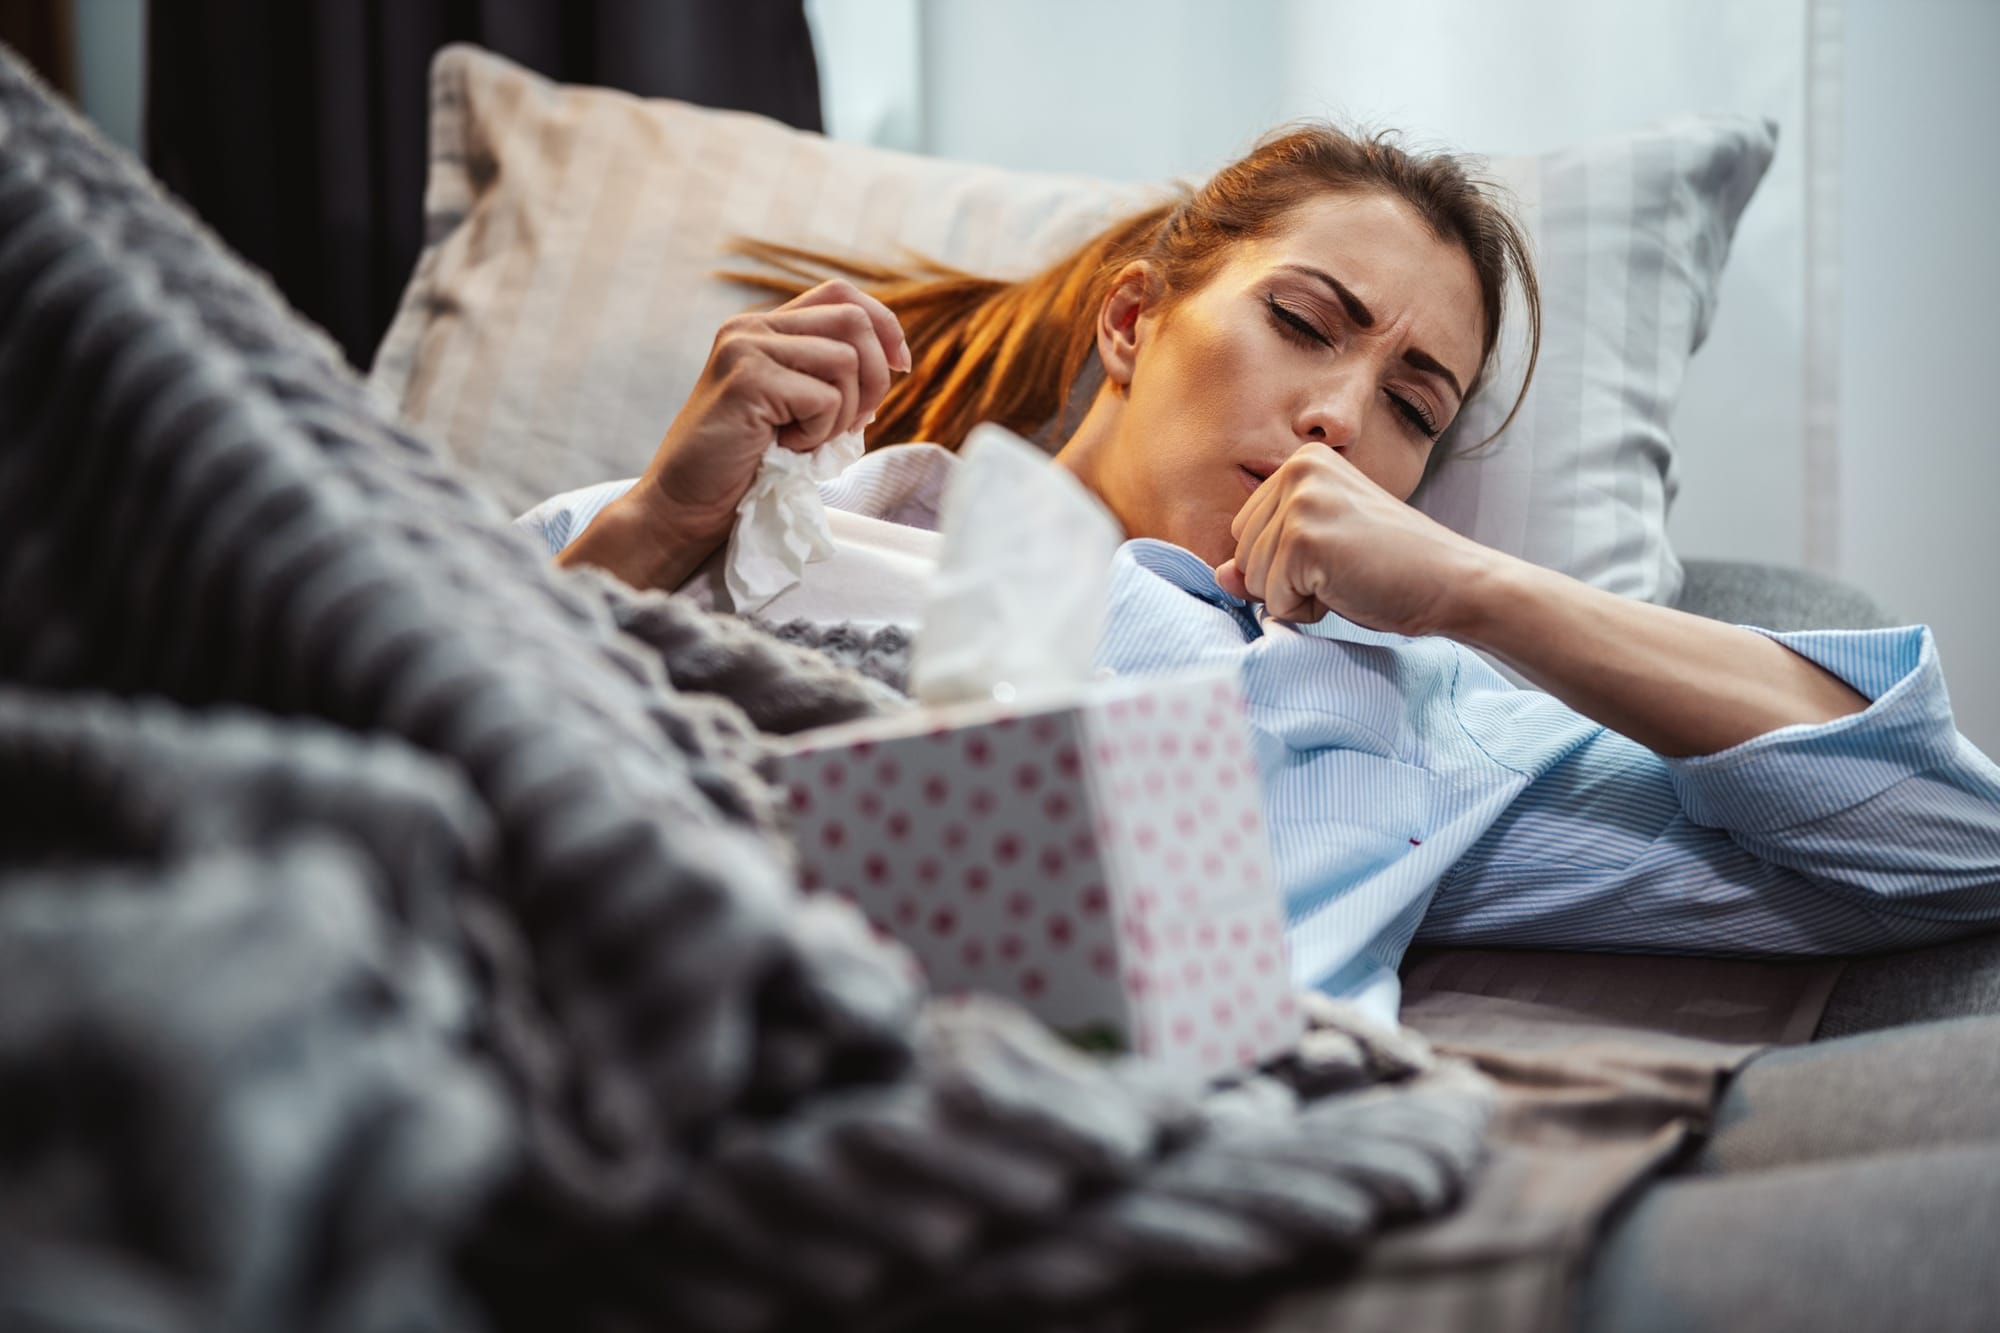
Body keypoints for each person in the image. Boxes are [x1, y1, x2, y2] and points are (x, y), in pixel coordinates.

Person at [526, 122, 2000, 1331]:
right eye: (1305, 324)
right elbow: (424, 723)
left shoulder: (1408, 706)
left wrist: (1479, 591)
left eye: (1413, 409)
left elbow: (1943, 841)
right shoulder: (747, 524)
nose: (1340, 418)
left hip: (1120, 1198)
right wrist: (660, 524)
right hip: (659, 1071)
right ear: (1132, 320)